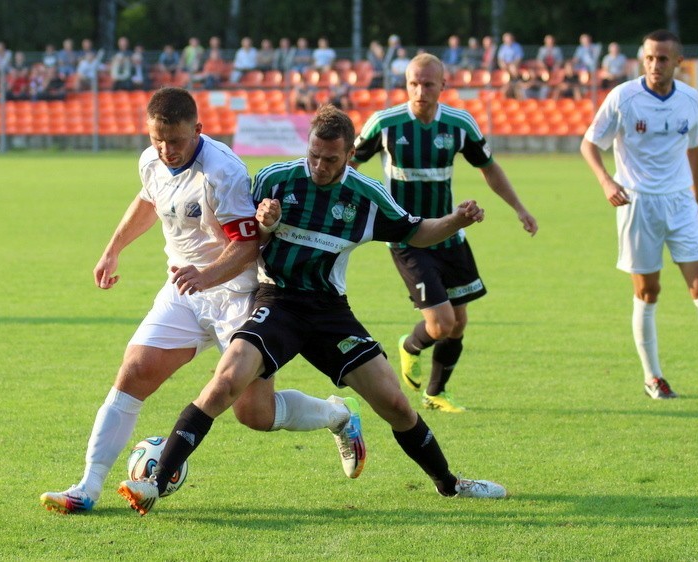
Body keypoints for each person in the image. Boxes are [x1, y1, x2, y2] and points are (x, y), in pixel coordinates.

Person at [117, 104, 508, 516]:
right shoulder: (274, 179)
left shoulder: (366, 195)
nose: (320, 166)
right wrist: (265, 223)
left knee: (394, 404)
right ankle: (153, 485)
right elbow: (242, 239)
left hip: (329, 312)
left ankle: (451, 485)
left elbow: (417, 232)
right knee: (223, 383)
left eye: (331, 159)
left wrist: (455, 220)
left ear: (349, 152)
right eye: (314, 155)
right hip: (276, 302)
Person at [40, 88, 360, 515]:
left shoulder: (222, 171)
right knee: (133, 372)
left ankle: (337, 415)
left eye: (175, 140)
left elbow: (247, 247)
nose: (166, 149)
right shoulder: (151, 159)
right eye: (157, 139)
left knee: (254, 412)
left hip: (238, 294)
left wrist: (205, 276)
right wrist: (113, 249)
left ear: (198, 130)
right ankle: (87, 487)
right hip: (186, 290)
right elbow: (149, 199)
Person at [579, 29, 698, 402]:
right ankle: (653, 378)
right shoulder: (623, 97)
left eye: (663, 59)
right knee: (648, 291)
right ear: (641, 60)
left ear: (679, 62)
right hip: (638, 204)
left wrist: (697, 194)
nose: (654, 65)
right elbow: (589, 143)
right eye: (648, 58)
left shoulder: (691, 99)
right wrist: (606, 182)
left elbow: (693, 147)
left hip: (680, 203)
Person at [351, 54, 538, 412]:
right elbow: (349, 167)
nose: (420, 91)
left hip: (451, 235)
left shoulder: (459, 124)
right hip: (407, 236)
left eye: (428, 84)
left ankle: (436, 393)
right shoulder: (384, 123)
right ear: (406, 85)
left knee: (459, 323)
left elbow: (489, 168)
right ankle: (410, 346)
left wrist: (520, 208)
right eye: (413, 84)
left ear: (443, 86)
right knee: (441, 323)